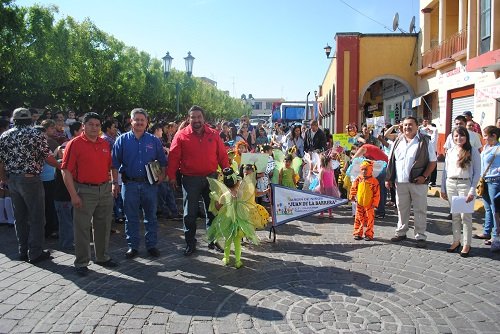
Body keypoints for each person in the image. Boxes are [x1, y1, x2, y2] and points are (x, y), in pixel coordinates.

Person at [167, 105, 230, 256]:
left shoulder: (214, 134)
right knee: (190, 214)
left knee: (213, 211)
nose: (196, 120)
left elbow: (222, 156)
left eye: (199, 117)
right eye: (193, 117)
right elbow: (173, 157)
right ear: (188, 119)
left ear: (204, 118)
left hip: (211, 178)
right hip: (190, 180)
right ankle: (190, 242)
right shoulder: (181, 135)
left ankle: (213, 240)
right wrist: (171, 176)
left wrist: (228, 172)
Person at [61, 112, 119, 276]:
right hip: (84, 190)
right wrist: (73, 195)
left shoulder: (105, 143)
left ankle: (102, 257)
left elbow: (112, 166)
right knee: (82, 228)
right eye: (91, 124)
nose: (94, 127)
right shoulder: (75, 144)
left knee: (104, 225)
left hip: (105, 189)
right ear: (83, 126)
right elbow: (65, 171)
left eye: (97, 125)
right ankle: (81, 262)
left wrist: (114, 183)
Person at [0, 108, 59, 263]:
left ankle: (23, 250)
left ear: (14, 119)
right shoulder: (36, 134)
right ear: (30, 120)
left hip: (12, 179)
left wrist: (3, 179)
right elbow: (48, 157)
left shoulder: (5, 135)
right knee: (37, 217)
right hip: (30, 179)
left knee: (19, 218)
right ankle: (35, 253)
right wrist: (64, 166)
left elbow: (1, 161)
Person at [112, 108, 167, 259]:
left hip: (149, 185)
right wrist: (114, 183)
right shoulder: (122, 140)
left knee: (151, 216)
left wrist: (162, 176)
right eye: (136, 119)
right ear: (131, 121)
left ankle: (151, 245)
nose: (139, 122)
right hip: (129, 185)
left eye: (142, 120)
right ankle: (133, 246)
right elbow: (114, 163)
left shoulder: (154, 140)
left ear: (147, 122)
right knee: (131, 217)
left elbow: (162, 161)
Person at [385, 116, 437, 248]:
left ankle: (420, 236)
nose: (407, 127)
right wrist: (389, 178)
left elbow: (432, 162)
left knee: (420, 209)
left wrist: (424, 176)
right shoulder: (398, 141)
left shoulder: (425, 141)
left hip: (417, 181)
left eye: (410, 125)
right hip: (400, 181)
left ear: (417, 126)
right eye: (405, 125)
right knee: (402, 208)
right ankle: (401, 232)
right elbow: (391, 161)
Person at [440, 126, 481, 257]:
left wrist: (472, 190)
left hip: (465, 184)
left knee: (466, 216)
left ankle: (466, 244)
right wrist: (442, 188)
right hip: (450, 183)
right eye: (456, 136)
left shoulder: (472, 151)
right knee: (455, 215)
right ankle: (456, 241)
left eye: (462, 135)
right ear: (452, 137)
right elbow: (445, 171)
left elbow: (477, 173)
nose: (459, 138)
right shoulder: (450, 151)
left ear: (466, 137)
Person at [207, 167, 259, 269]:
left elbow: (217, 207)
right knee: (237, 242)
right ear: (237, 183)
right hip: (239, 223)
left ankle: (226, 258)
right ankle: (238, 261)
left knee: (227, 241)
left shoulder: (224, 195)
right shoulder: (240, 194)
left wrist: (216, 199)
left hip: (228, 222)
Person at [474, 126, 500, 248]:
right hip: (484, 180)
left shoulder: (498, 148)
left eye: (485, 135)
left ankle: (495, 235)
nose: (483, 138)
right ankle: (486, 231)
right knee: (487, 207)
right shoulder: (486, 147)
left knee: (495, 209)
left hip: (495, 180)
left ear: (493, 135)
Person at [352, 143, 388, 218]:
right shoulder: (370, 148)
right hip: (385, 165)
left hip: (382, 167)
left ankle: (380, 211)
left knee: (378, 189)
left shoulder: (364, 147)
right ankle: (381, 209)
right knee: (382, 189)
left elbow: (354, 159)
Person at [350, 160, 380, 241]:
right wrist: (352, 195)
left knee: (370, 220)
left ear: (370, 170)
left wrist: (375, 203)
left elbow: (377, 194)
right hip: (359, 203)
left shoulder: (374, 181)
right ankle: (357, 233)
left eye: (366, 169)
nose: (363, 171)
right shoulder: (359, 179)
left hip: (369, 205)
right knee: (358, 219)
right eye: (362, 169)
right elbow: (354, 188)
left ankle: (369, 234)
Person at [317, 153, 340, 219]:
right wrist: (321, 188)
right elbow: (320, 180)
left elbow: (333, 179)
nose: (331, 162)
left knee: (330, 201)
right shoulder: (322, 170)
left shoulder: (331, 170)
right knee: (323, 201)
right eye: (330, 161)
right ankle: (321, 213)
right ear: (327, 162)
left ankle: (330, 213)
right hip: (324, 187)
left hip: (330, 188)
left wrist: (336, 186)